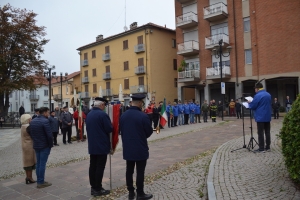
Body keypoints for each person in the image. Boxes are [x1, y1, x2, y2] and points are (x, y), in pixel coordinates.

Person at [120, 94, 153, 200]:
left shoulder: (123, 115)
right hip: (140, 147)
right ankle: (140, 193)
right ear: (139, 103)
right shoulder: (143, 116)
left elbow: (121, 131)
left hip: (128, 147)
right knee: (140, 171)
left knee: (129, 170)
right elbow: (148, 132)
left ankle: (130, 191)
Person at [86, 97, 112, 197]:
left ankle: (94, 187)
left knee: (92, 166)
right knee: (100, 167)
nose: (104, 107)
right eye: (104, 105)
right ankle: (98, 188)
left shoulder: (89, 114)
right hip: (101, 144)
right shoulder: (102, 114)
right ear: (101, 105)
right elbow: (109, 128)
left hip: (92, 144)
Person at [29, 107, 53, 188]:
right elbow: (49, 135)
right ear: (45, 112)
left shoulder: (33, 121)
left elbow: (31, 133)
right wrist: (50, 145)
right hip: (44, 145)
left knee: (38, 163)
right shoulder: (45, 121)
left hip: (36, 144)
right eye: (48, 112)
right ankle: (40, 182)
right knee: (42, 164)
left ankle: (39, 180)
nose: (48, 114)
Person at [248, 82, 272, 153]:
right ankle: (268, 147)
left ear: (257, 89)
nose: (255, 90)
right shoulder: (268, 94)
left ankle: (261, 148)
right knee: (267, 132)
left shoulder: (257, 95)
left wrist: (249, 103)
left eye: (255, 89)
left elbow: (253, 106)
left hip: (260, 116)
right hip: (267, 116)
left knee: (260, 132)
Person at [20, 114, 36, 184]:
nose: (31, 120)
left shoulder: (22, 126)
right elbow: (33, 135)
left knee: (26, 162)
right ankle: (30, 177)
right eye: (30, 118)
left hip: (24, 145)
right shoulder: (28, 127)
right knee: (30, 162)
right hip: (29, 145)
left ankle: (28, 176)